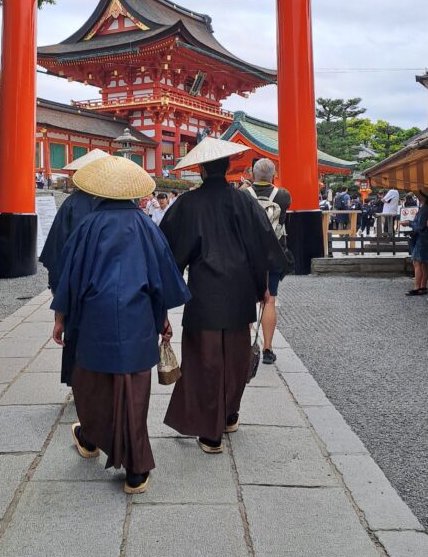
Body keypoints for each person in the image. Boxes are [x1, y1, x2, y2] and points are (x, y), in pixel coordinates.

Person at [50, 156, 190, 493]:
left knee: (91, 384)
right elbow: (160, 277)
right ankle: (136, 471)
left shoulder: (87, 227)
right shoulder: (145, 226)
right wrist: (163, 318)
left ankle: (91, 436)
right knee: (135, 391)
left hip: (93, 319)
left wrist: (60, 318)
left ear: (98, 191)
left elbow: (68, 277)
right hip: (138, 316)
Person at [160, 137, 286, 453]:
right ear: (228, 167)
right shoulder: (245, 202)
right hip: (240, 289)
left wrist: (166, 292)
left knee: (205, 360)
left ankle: (210, 432)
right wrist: (262, 287)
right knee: (235, 356)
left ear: (201, 169)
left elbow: (169, 252)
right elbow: (262, 246)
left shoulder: (187, 204)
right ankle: (229, 414)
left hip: (204, 290)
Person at [39, 149, 109, 385]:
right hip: (110, 287)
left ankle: (79, 384)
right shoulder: (117, 204)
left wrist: (58, 295)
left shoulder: (71, 205)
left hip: (77, 287)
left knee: (78, 335)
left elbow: (57, 251)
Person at [246, 158, 292, 364]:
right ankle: (267, 349)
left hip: (248, 255)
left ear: (253, 174)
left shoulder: (242, 194)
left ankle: (246, 344)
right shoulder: (283, 196)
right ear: (273, 175)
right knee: (270, 299)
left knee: (246, 298)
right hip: (274, 254)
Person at [406, 188, 428, 296]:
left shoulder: (425, 208)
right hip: (425, 237)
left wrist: (408, 223)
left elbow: (420, 226)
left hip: (423, 237)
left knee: (417, 261)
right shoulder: (424, 207)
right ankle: (423, 286)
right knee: (424, 263)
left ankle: (417, 287)